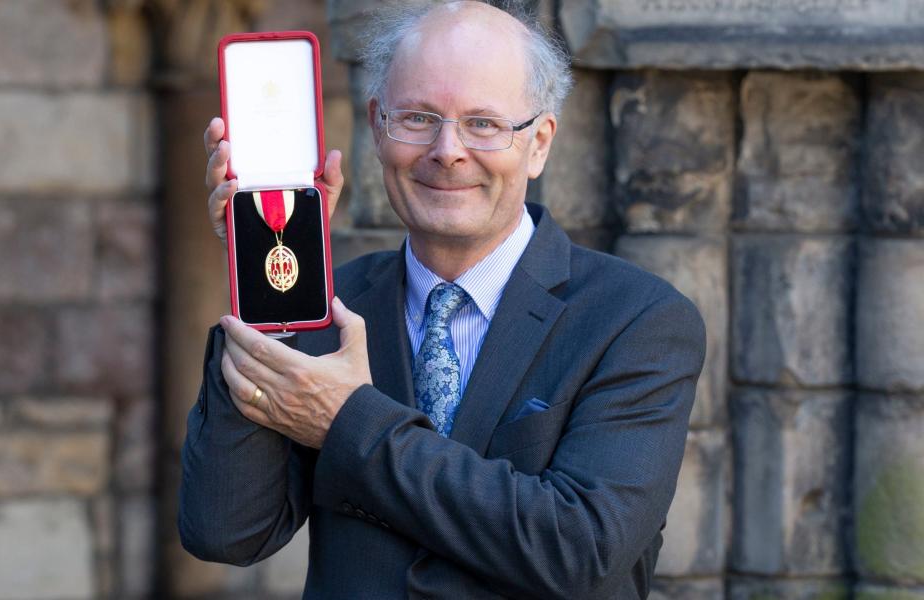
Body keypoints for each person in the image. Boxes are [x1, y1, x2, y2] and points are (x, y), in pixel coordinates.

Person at [179, 2, 706, 598]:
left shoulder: (639, 320)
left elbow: (579, 549)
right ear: (378, 127)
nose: (447, 149)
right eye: (418, 117)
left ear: (538, 144)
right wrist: (265, 281)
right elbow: (227, 531)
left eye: (484, 123)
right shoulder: (328, 302)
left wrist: (349, 421)